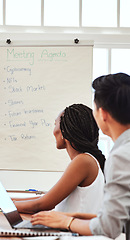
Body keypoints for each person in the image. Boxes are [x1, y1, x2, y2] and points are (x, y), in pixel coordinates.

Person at [31, 73, 130, 239]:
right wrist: (69, 217)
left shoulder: (120, 155)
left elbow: (109, 227)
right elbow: (121, 219)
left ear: (103, 114)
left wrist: (67, 222)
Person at [0, 103, 106, 214]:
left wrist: (0, 204)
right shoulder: (85, 160)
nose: (53, 130)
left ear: (64, 131)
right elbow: (43, 199)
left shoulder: (83, 161)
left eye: (55, 124)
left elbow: (43, 204)